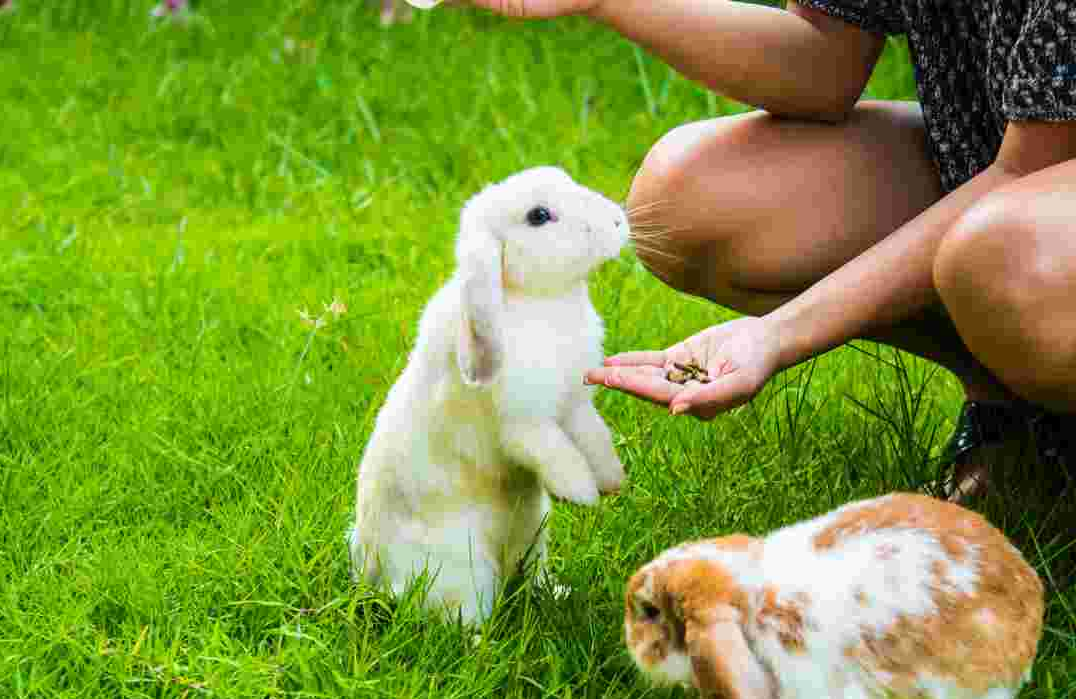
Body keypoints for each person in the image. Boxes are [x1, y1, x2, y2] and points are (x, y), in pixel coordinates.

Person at [461, 0, 1076, 498]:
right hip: (994, 173)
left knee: (1003, 255)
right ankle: (1021, 418)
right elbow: (823, 58)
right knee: (691, 196)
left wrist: (778, 334)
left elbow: (1031, 167)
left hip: (1036, 198)